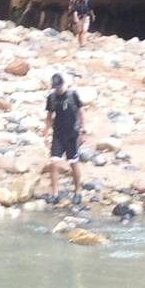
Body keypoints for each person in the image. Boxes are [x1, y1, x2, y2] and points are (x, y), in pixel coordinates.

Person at [43, 73, 84, 204]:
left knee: (73, 163)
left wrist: (82, 130)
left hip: (72, 134)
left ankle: (77, 191)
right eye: (55, 87)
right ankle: (55, 193)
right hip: (58, 134)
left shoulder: (72, 95)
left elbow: (80, 112)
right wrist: (46, 132)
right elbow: (49, 116)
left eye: (59, 86)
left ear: (62, 84)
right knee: (54, 162)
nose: (58, 89)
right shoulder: (52, 98)